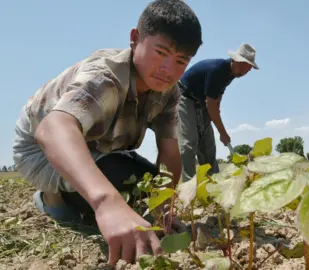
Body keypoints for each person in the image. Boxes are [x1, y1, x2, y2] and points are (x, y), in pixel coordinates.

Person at [12, 0, 202, 266]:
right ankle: (52, 198)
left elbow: (169, 153)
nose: (167, 70)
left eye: (181, 61)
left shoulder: (169, 93)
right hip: (41, 149)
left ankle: (86, 195)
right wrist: (106, 203)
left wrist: (163, 210)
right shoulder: (107, 76)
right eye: (160, 52)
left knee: (142, 187)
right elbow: (52, 129)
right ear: (135, 39)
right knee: (116, 187)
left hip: (96, 147)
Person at [176, 43, 259, 182]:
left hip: (202, 100)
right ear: (235, 60)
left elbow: (218, 95)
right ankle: (188, 187)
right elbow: (211, 105)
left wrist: (213, 115)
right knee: (189, 143)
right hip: (184, 96)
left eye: (249, 67)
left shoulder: (232, 73)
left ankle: (214, 184)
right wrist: (222, 132)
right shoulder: (218, 70)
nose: (247, 70)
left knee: (208, 145)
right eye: (245, 65)